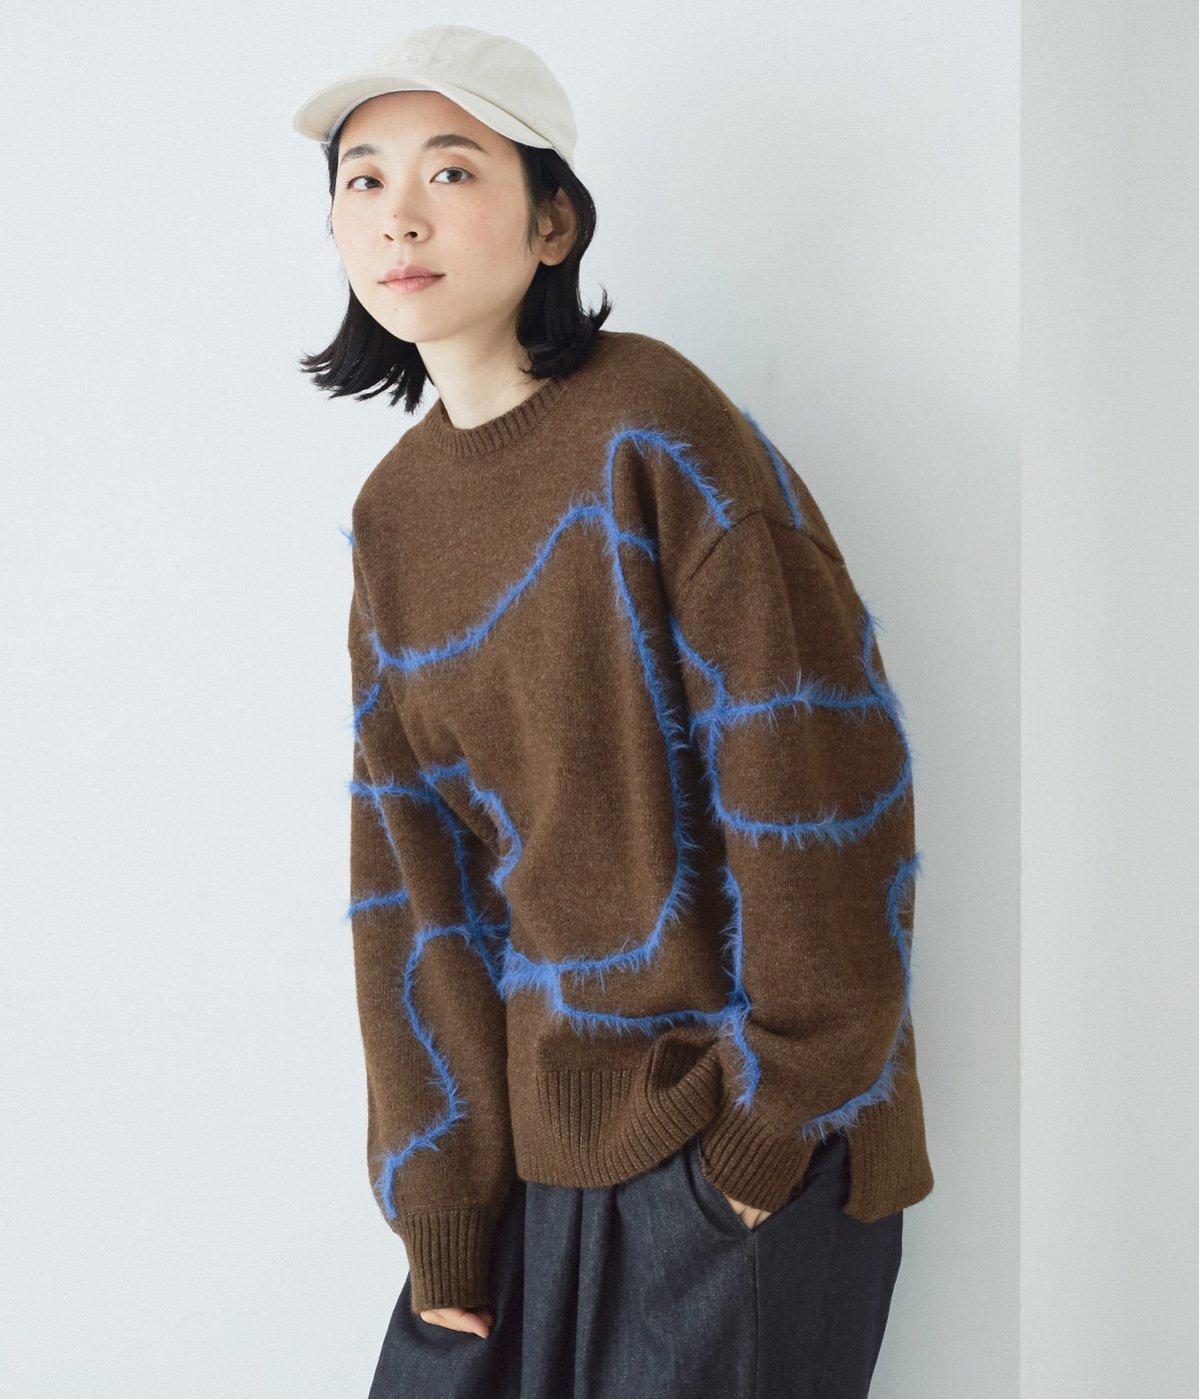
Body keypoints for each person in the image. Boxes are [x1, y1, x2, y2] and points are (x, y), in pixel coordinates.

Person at [293, 24, 934, 1399]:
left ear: (553, 221)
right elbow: (412, 880)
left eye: (451, 171)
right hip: (537, 1172)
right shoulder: (396, 516)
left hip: (737, 1149)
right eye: (362, 179)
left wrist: (765, 1138)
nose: (398, 216)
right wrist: (443, 1209)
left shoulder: (655, 426)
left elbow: (817, 770)